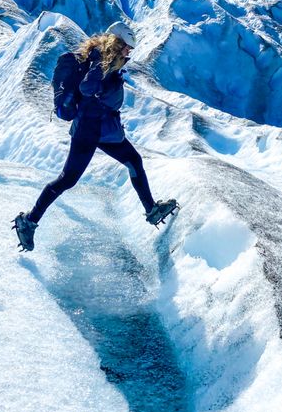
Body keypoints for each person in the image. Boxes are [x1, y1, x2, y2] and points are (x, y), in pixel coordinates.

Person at [13, 22, 177, 251]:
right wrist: (99, 94)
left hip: (104, 129)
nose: (129, 52)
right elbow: (88, 86)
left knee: (134, 161)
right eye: (127, 47)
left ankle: (151, 210)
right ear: (117, 43)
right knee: (68, 179)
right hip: (89, 130)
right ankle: (28, 221)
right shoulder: (103, 57)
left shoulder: (103, 57)